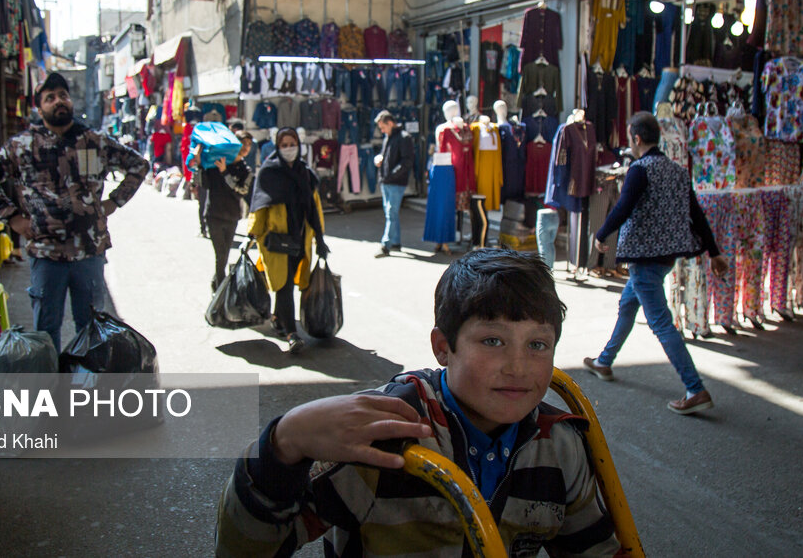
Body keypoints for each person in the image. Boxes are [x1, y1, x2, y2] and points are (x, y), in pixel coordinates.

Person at [215, 249, 622, 555]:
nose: (517, 367)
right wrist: (283, 443)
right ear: (443, 348)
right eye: (492, 341)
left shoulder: (559, 446)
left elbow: (592, 548)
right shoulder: (380, 437)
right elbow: (248, 547)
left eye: (538, 344)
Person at [0, 72, 149, 351]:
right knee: (46, 330)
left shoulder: (95, 141)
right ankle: (52, 389)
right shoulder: (22, 146)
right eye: (50, 98)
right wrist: (13, 218)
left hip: (89, 251)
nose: (59, 101)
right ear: (39, 107)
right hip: (45, 253)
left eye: (63, 95)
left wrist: (114, 202)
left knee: (91, 328)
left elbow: (139, 165)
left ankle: (87, 386)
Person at [583, 111, 728, 415]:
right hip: (666, 257)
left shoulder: (640, 169)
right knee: (627, 305)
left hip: (643, 258)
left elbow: (624, 207)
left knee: (661, 323)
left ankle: (695, 388)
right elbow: (696, 214)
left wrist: (602, 232)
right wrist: (714, 252)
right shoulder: (677, 170)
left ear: (636, 138)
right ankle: (603, 362)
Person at [247, 128, 329, 354]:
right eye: (284, 145)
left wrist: (320, 238)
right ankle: (292, 333)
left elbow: (313, 209)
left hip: (300, 240)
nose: (289, 148)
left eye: (292, 143)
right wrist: (252, 233)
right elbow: (259, 206)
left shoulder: (306, 173)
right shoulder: (268, 173)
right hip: (275, 240)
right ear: (277, 147)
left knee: (289, 283)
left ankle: (277, 317)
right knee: (283, 286)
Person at [190, 131, 254, 292]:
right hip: (214, 215)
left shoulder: (245, 170)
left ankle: (216, 285)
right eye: (242, 143)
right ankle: (221, 292)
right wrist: (199, 162)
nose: (245, 148)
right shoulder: (216, 163)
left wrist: (225, 172)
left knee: (223, 255)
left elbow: (241, 191)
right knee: (221, 256)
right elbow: (203, 184)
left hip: (232, 217)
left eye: (249, 145)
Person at [373, 110, 414, 258]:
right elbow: (386, 155)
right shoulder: (388, 137)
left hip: (395, 182)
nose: (382, 131)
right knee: (391, 213)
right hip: (387, 181)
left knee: (391, 212)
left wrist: (391, 175)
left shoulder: (404, 137)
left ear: (390, 123)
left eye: (383, 127)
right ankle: (395, 242)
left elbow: (407, 161)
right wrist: (379, 159)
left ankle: (386, 244)